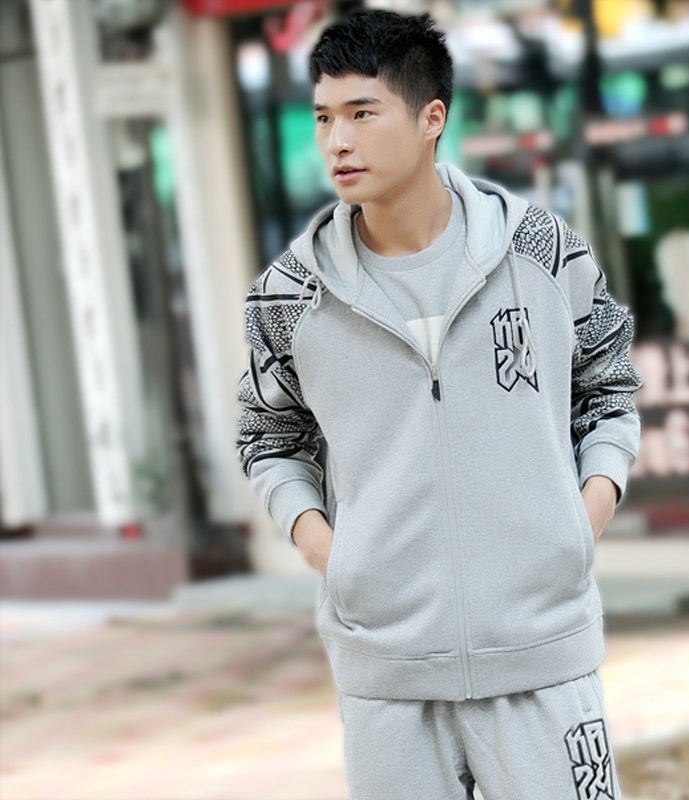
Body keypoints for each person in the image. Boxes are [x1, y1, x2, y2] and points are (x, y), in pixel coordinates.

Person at [236, 9, 642, 799]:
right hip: (387, 677)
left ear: (431, 119)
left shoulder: (541, 252)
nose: (336, 142)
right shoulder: (289, 296)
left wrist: (581, 517)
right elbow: (268, 435)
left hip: (543, 656)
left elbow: (608, 386)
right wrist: (332, 553)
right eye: (323, 118)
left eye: (362, 113)